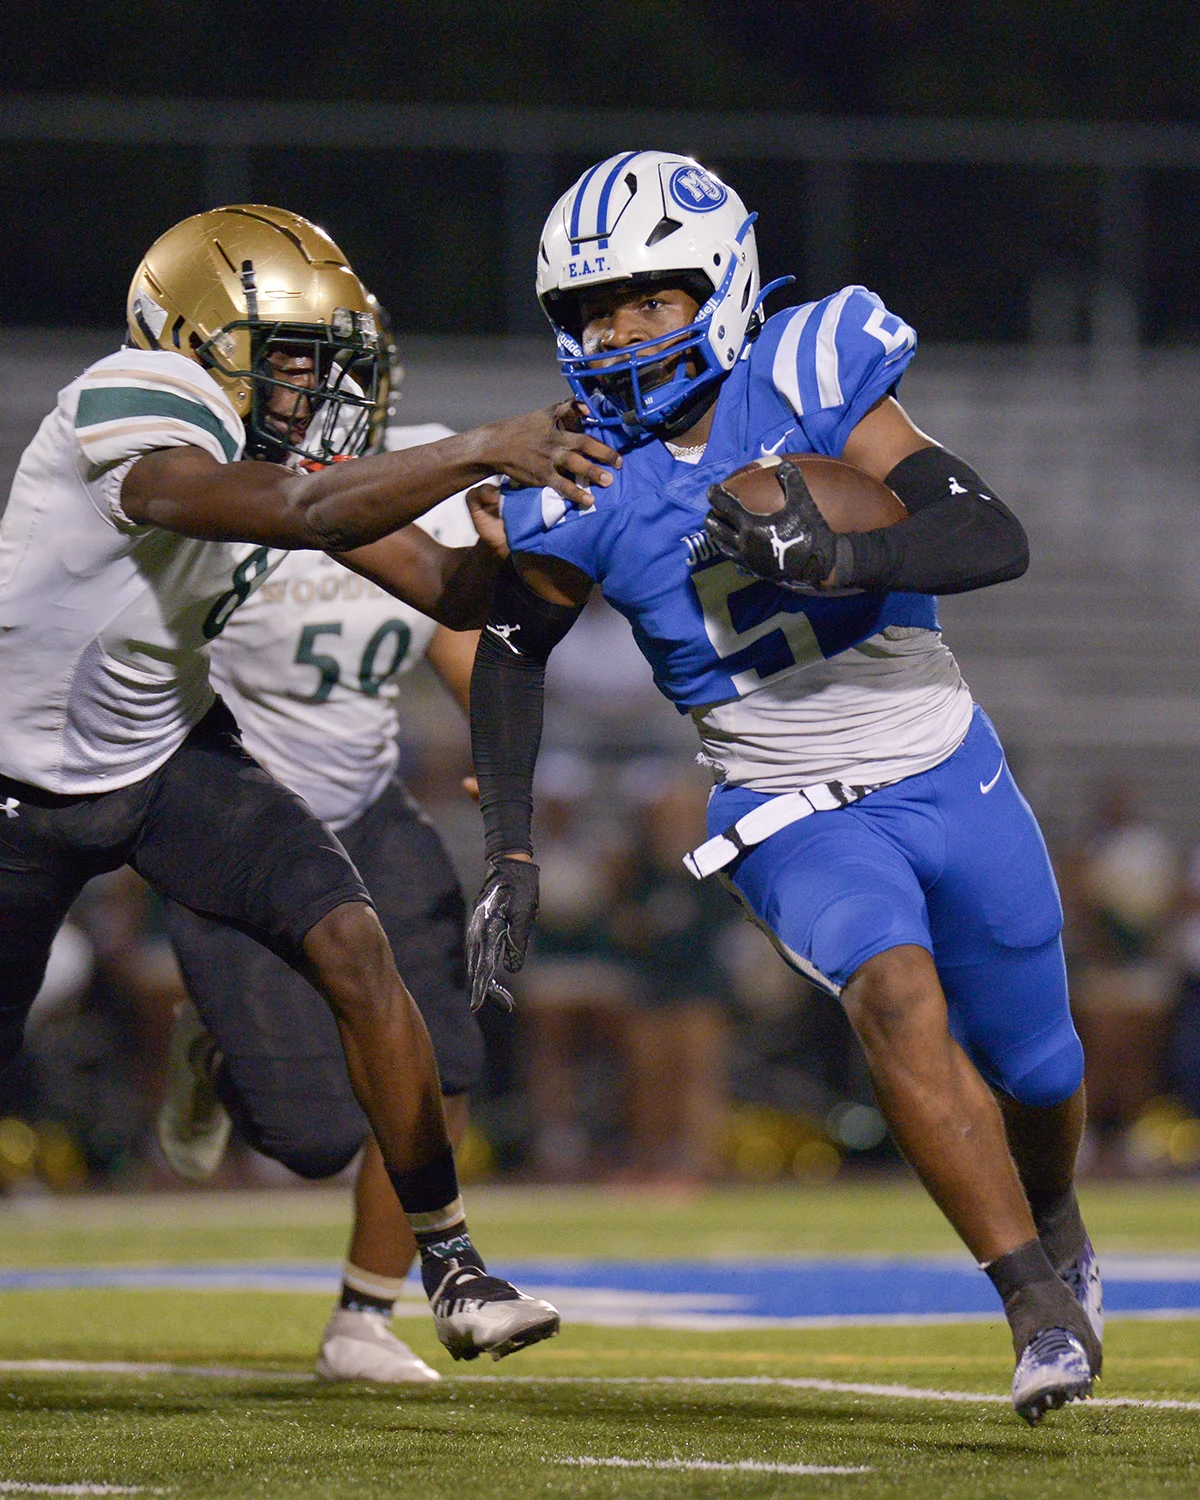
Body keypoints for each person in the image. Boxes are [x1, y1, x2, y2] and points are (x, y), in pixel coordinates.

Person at [464, 153, 1102, 1422]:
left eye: (649, 298)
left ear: (722, 281)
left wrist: (842, 549)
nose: (618, 331)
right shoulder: (577, 472)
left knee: (1038, 1063)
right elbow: (510, 654)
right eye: (594, 309)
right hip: (779, 800)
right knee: (894, 992)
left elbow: (991, 534)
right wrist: (511, 848)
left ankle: (1061, 1215)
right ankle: (1034, 1305)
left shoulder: (813, 372)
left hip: (938, 754)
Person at [0, 202, 619, 1362]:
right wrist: (479, 442)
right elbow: (300, 509)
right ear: (193, 337)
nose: (310, 382)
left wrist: (520, 545)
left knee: (354, 941)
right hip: (18, 783)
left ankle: (450, 1266)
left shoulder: (283, 455)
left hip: (171, 754)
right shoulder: (128, 397)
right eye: (289, 355)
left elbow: (445, 593)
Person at [158, 414, 494, 1383]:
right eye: (291, 357)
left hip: (363, 801)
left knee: (449, 1058)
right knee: (310, 1136)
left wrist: (495, 745)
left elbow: (455, 630)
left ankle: (363, 1317)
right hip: (235, 811)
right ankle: (211, 1048)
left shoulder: (422, 454)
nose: (311, 381)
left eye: (325, 353)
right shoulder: (206, 475)